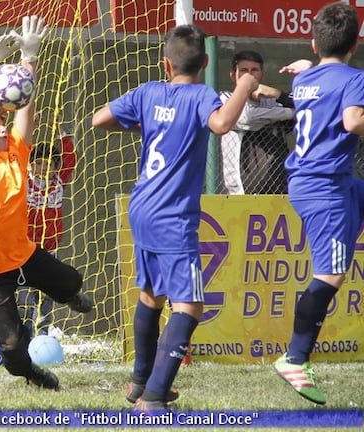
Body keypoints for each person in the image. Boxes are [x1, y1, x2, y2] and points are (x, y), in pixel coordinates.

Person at [91, 24, 257, 411]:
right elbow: (221, 124)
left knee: (151, 296)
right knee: (189, 306)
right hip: (173, 215)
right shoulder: (201, 95)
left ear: (165, 63)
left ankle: (140, 384)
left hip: (142, 206)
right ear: (206, 62)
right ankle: (151, 399)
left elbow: (100, 119)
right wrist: (245, 88)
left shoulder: (149, 92)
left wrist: (149, 125)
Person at [0, 16, 93, 391]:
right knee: (15, 346)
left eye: (2, 122)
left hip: (22, 253)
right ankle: (33, 374)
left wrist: (29, 56)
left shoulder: (16, 152)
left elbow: (25, 105)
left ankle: (68, 294)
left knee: (72, 281)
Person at [274, 2, 364, 406]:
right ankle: (295, 357)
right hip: (323, 189)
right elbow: (353, 121)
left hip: (331, 182)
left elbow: (318, 89)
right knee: (331, 276)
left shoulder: (308, 81)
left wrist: (307, 70)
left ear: (314, 42)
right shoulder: (352, 78)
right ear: (355, 43)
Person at [19, 123, 76, 337]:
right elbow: (17, 154)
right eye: (38, 163)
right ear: (31, 165)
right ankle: (22, 335)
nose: (43, 168)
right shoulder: (24, 182)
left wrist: (61, 131)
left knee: (44, 298)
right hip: (24, 250)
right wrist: (30, 126)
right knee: (23, 296)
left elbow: (70, 158)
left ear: (55, 167)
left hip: (48, 251)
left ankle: (42, 336)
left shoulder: (58, 182)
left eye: (49, 164)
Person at [220, 50, 295, 194]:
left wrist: (278, 95)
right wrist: (289, 113)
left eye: (254, 70)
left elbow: (306, 108)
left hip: (279, 189)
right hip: (241, 192)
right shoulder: (225, 99)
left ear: (262, 74)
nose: (249, 75)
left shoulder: (271, 101)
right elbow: (247, 117)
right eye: (243, 70)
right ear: (232, 75)